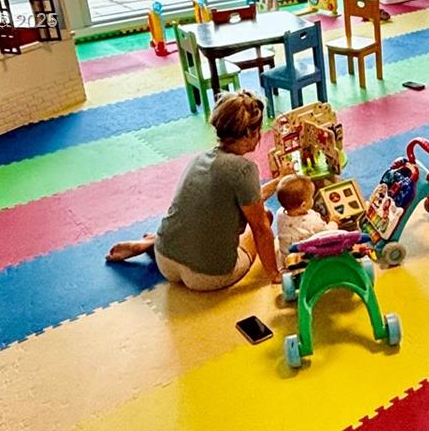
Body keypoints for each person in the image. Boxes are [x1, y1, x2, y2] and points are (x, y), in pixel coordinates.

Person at [106, 90, 281, 290]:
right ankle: (152, 243)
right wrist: (275, 275)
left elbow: (251, 198)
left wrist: (279, 181)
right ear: (250, 133)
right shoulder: (244, 169)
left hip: (165, 259)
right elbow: (260, 227)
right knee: (265, 217)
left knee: (196, 222)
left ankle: (151, 243)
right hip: (207, 277)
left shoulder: (201, 158)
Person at [272, 173, 334, 261]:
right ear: (303, 205)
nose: (312, 199)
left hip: (287, 258)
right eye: (311, 197)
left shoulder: (280, 213)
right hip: (306, 261)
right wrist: (333, 222)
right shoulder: (312, 221)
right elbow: (328, 233)